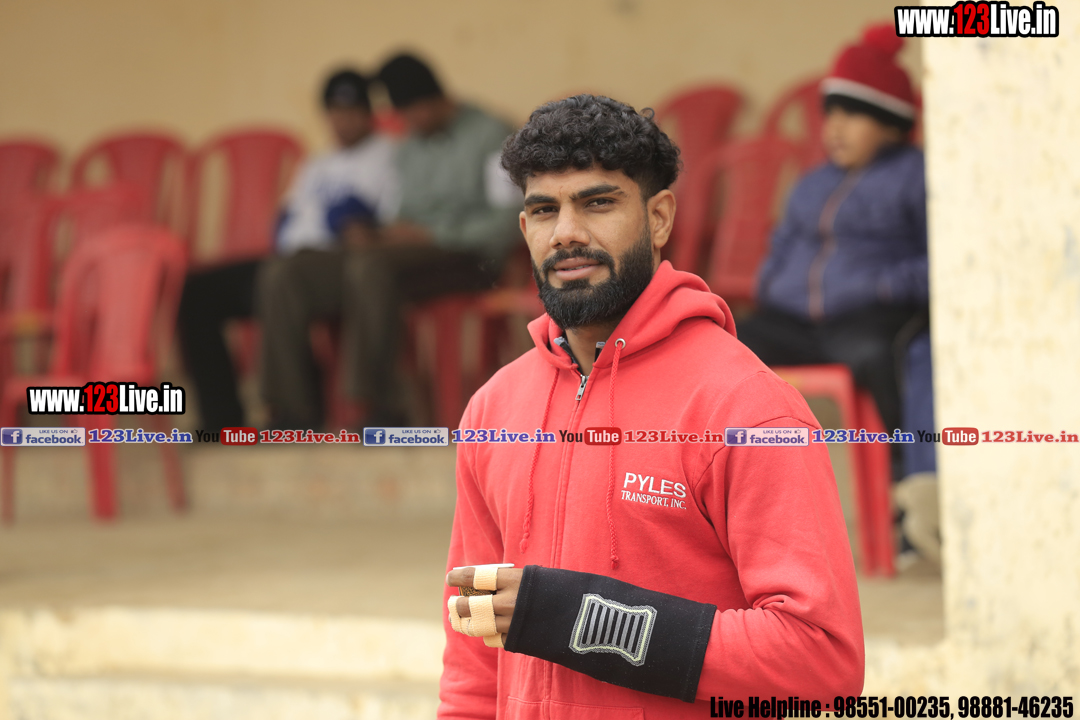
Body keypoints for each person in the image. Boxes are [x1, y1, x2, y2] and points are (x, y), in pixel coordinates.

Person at [438, 95, 863, 717]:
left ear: (659, 218)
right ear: (525, 229)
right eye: (545, 210)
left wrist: (580, 619)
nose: (566, 233)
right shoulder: (493, 409)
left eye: (598, 203)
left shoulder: (747, 409)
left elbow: (821, 662)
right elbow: (473, 661)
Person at [257, 52, 520, 428]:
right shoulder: (410, 147)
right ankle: (291, 409)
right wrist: (380, 233)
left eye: (414, 111)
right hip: (406, 254)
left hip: (469, 258)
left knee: (370, 267)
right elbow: (400, 212)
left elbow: (505, 223)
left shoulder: (492, 136)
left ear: (436, 97)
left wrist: (432, 234)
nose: (409, 122)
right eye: (403, 114)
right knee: (287, 272)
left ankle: (380, 406)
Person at [737, 24, 929, 472]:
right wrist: (771, 283)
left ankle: (905, 477)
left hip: (869, 316)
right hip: (796, 321)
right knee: (727, 346)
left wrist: (883, 286)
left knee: (876, 355)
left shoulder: (914, 177)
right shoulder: (813, 182)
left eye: (854, 115)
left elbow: (935, 260)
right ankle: (735, 473)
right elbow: (783, 242)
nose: (836, 128)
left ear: (891, 125)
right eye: (831, 114)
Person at [178, 68, 399, 432]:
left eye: (353, 110)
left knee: (281, 277)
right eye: (335, 111)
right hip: (290, 258)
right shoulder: (318, 162)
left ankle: (292, 410)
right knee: (196, 292)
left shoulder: (389, 155)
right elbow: (287, 216)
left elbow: (375, 226)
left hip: (335, 262)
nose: (343, 119)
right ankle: (221, 418)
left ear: (369, 113)